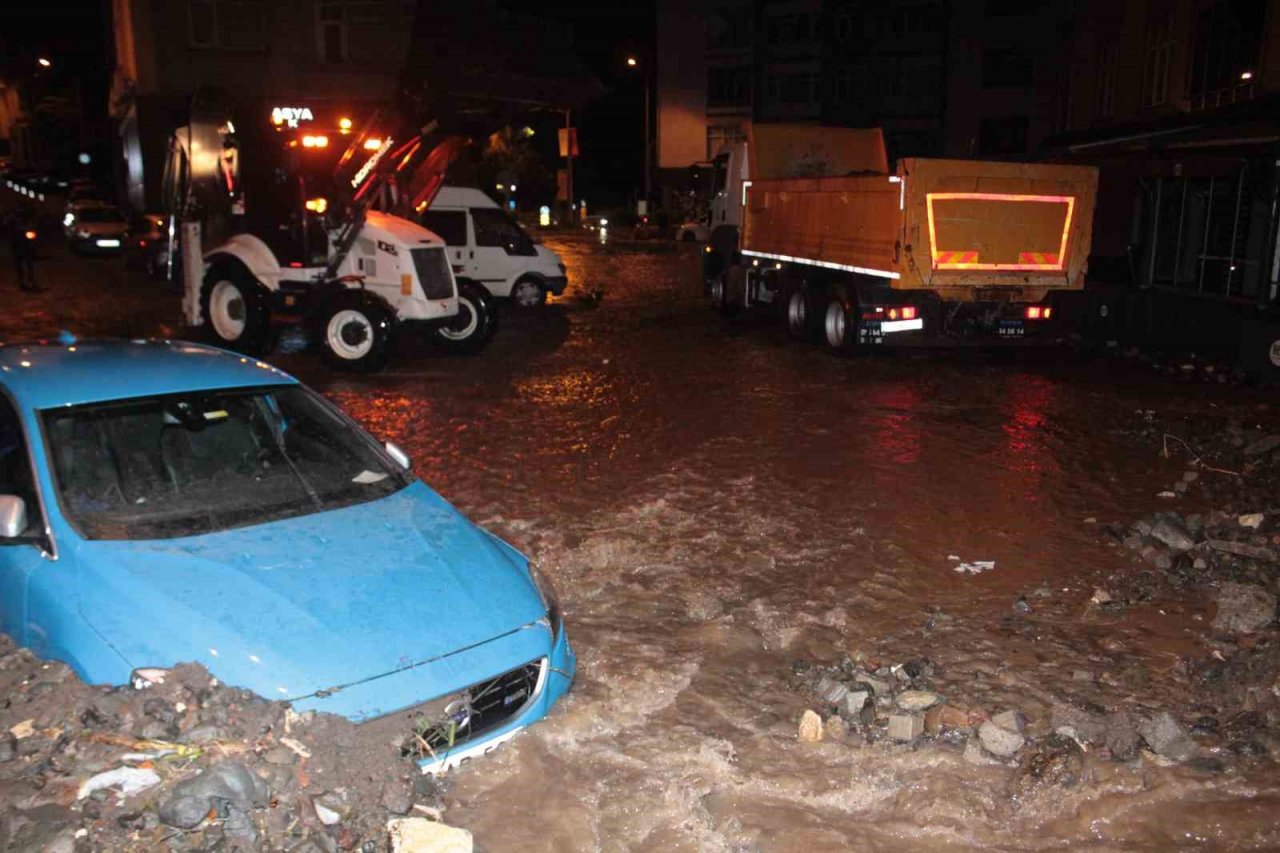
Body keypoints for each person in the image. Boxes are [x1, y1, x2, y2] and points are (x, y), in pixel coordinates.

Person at [6, 205, 42, 292]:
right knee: (20, 264)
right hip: (17, 245)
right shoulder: (12, 220)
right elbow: (9, 230)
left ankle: (30, 281)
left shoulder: (25, 221)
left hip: (25, 245)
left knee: (28, 264)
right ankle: (23, 282)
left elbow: (31, 232)